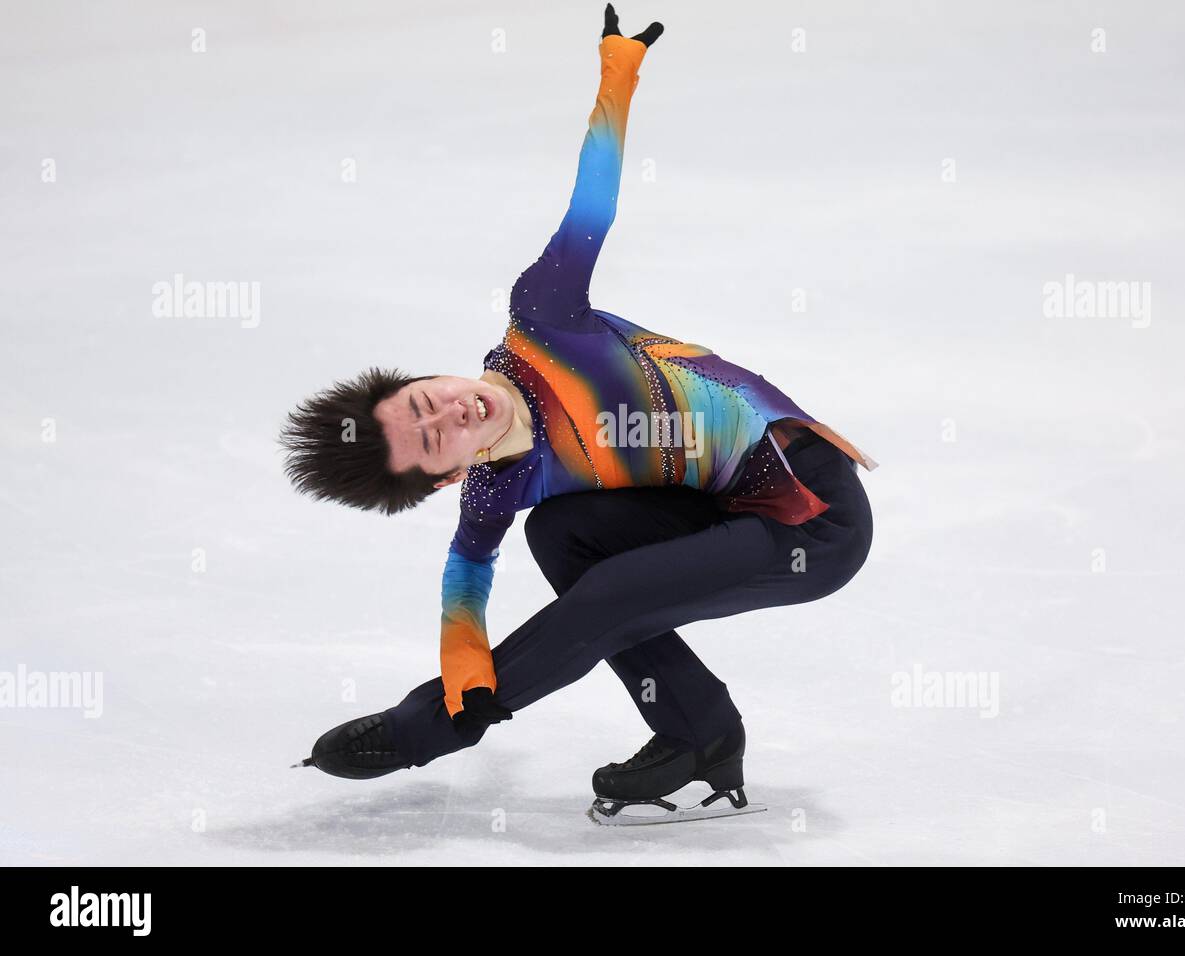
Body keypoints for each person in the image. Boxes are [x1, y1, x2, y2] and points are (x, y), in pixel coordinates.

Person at [280, 5, 878, 820]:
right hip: (721, 508)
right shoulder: (497, 486)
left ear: (425, 376)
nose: (452, 412)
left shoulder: (543, 320)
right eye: (434, 440)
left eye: (426, 399)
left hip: (811, 513)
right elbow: (466, 576)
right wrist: (467, 659)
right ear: (447, 475)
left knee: (610, 590)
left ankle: (428, 730)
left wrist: (618, 74)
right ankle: (696, 730)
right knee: (561, 535)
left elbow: (592, 204)